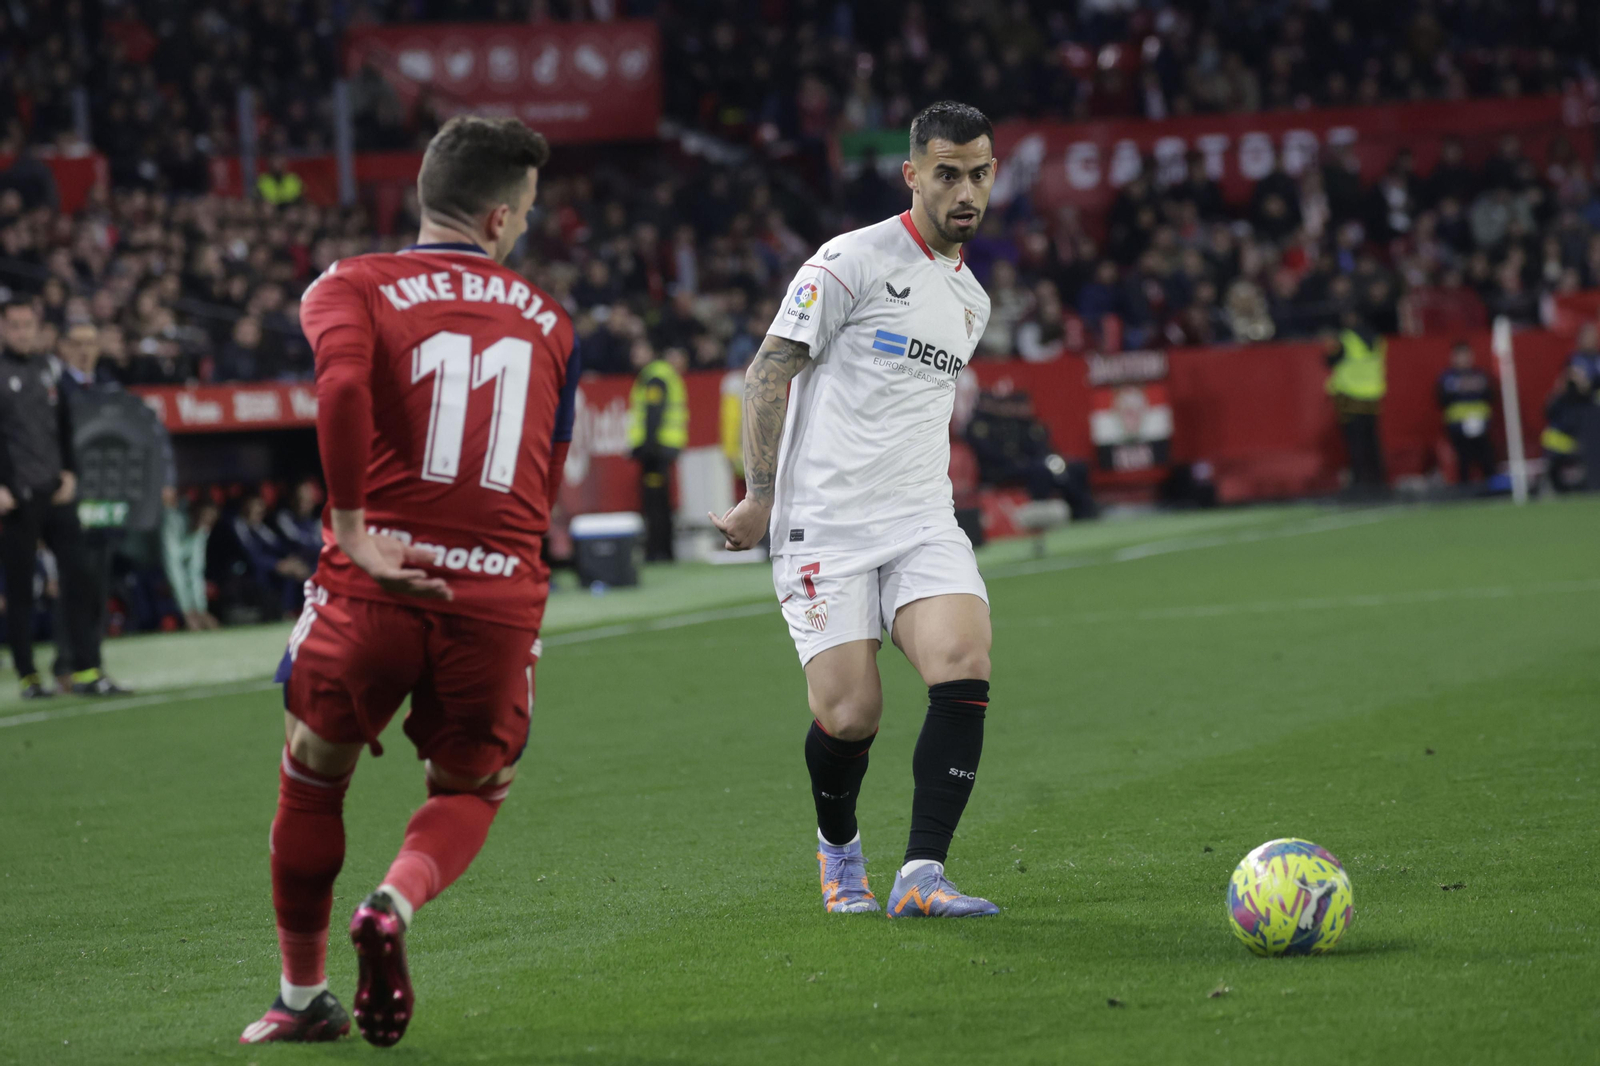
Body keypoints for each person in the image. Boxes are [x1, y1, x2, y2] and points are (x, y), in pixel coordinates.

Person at [239, 116, 578, 1048]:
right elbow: (542, 476)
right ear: (501, 216)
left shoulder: (349, 284)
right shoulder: (552, 321)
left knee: (313, 776)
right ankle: (394, 900)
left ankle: (302, 995)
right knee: (474, 784)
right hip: (496, 594)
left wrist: (353, 525)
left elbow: (342, 388)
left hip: (371, 582)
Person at [711, 101, 1000, 920]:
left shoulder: (971, 300)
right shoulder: (849, 261)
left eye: (979, 172)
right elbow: (768, 373)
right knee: (851, 715)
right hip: (825, 525)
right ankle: (840, 851)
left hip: (920, 520)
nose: (965, 190)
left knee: (963, 660)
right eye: (947, 173)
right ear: (913, 175)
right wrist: (760, 497)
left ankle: (923, 874)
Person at [0, 300, 125, 697]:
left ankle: (87, 670)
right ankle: (28, 676)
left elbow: (65, 425)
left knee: (81, 578)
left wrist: (69, 472)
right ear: (3, 329)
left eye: (28, 325)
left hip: (56, 491)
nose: (22, 332)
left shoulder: (48, 369)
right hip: (16, 495)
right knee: (21, 589)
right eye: (15, 325)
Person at [626, 342, 688, 562]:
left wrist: (647, 447)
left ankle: (658, 552)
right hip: (664, 447)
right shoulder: (662, 374)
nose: (634, 354)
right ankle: (664, 550)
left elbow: (654, 413)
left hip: (657, 449)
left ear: (651, 351)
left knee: (655, 504)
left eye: (639, 349)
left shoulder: (654, 377)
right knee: (661, 502)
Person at [1324, 310, 1388, 495]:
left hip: (1350, 396)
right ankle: (1379, 480)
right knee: (1372, 441)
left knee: (1355, 442)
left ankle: (1360, 482)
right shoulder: (1377, 338)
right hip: (1373, 395)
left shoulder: (1346, 338)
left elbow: (1330, 360)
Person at [1435, 341, 1496, 486]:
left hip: (1482, 427)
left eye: (1466, 355)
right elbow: (1441, 399)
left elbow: (1491, 396)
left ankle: (1493, 490)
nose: (1463, 359)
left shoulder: (1481, 375)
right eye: (1460, 356)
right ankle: (1465, 491)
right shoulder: (1447, 377)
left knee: (1487, 459)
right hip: (1458, 428)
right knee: (1463, 461)